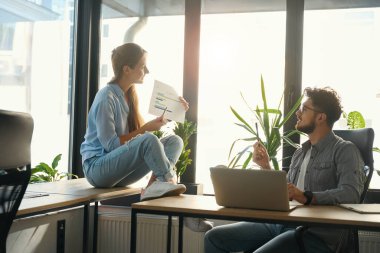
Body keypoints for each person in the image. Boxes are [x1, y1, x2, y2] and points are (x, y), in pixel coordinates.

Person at [204, 87, 365, 253]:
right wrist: (266, 167)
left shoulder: (344, 150)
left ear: (321, 117)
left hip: (313, 233)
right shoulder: (300, 153)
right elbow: (288, 191)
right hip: (282, 223)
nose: (298, 113)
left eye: (304, 109)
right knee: (214, 238)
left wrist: (307, 197)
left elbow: (350, 193)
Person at [80, 42, 188, 199]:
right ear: (126, 69)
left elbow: (134, 143)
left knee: (175, 141)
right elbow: (111, 146)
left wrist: (173, 113)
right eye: (143, 66)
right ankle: (168, 181)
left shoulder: (128, 96)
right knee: (148, 139)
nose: (147, 71)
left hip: (119, 171)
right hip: (97, 169)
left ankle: (156, 185)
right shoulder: (106, 98)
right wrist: (146, 129)